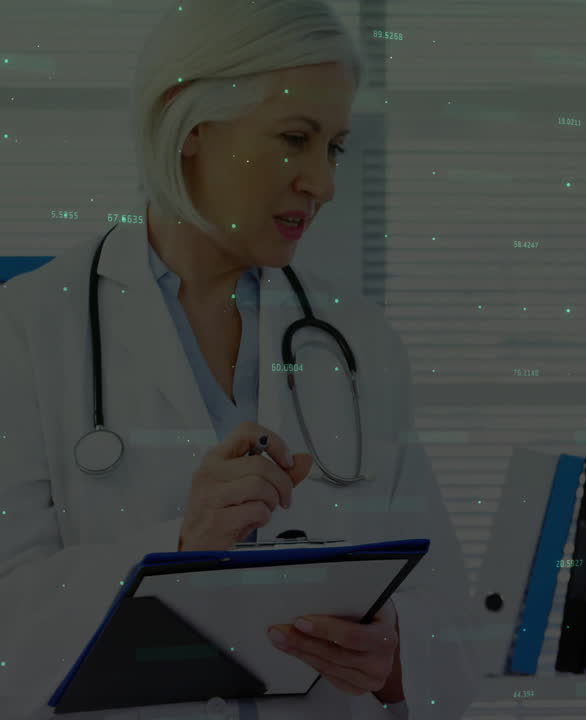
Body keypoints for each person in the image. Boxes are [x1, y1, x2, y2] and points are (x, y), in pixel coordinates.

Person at [0, 1, 478, 718]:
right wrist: (180, 544)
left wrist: (395, 657)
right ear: (188, 123)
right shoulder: (27, 329)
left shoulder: (358, 342)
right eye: (295, 139)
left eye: (334, 148)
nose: (323, 184)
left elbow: (449, 622)